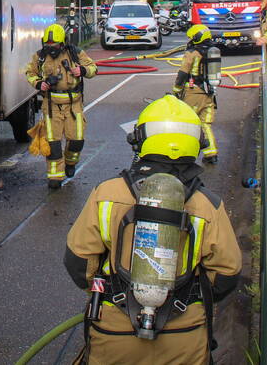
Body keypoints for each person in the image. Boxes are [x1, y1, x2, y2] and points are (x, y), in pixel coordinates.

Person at [64, 96, 242, 364]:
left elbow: (78, 263)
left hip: (114, 335)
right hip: (185, 338)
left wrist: (111, 293)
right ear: (197, 142)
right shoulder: (209, 205)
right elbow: (227, 273)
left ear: (141, 140)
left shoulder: (106, 195)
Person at [24, 23, 97, 188]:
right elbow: (30, 73)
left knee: (77, 140)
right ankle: (55, 176)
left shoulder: (75, 53)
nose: (51, 49)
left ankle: (70, 163)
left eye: (55, 45)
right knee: (53, 144)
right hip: (51, 106)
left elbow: (93, 68)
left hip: (73, 106)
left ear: (63, 42)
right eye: (48, 45)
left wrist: (82, 71)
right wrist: (39, 83)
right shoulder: (40, 57)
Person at [171, 24, 219, 164]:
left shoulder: (192, 53)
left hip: (194, 92)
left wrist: (176, 90)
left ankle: (182, 154)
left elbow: (183, 73)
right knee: (205, 124)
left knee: (186, 122)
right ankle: (211, 153)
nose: (190, 41)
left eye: (191, 38)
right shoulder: (213, 51)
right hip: (209, 93)